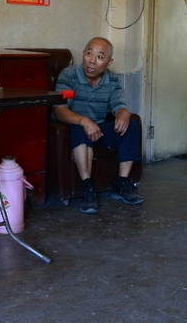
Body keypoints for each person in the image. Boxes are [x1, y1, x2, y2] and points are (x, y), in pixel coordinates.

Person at [54, 37, 143, 214]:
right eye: (89, 54)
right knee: (79, 129)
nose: (92, 61)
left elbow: (118, 106)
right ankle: (88, 191)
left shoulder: (112, 80)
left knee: (132, 125)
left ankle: (121, 185)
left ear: (109, 63)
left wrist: (123, 114)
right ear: (83, 54)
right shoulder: (69, 75)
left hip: (98, 130)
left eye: (100, 57)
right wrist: (84, 121)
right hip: (75, 130)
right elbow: (60, 110)